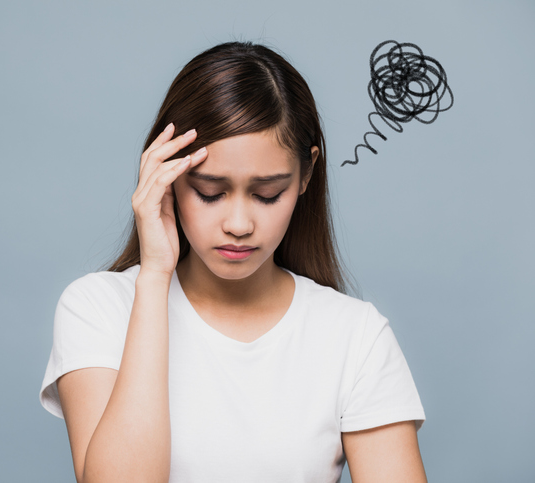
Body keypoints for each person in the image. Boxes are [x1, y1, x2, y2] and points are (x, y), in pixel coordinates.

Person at [40, 41, 427, 483]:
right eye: (209, 192)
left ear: (306, 174)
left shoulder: (356, 337)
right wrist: (154, 276)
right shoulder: (98, 309)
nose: (239, 224)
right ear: (164, 175)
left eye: (267, 194)